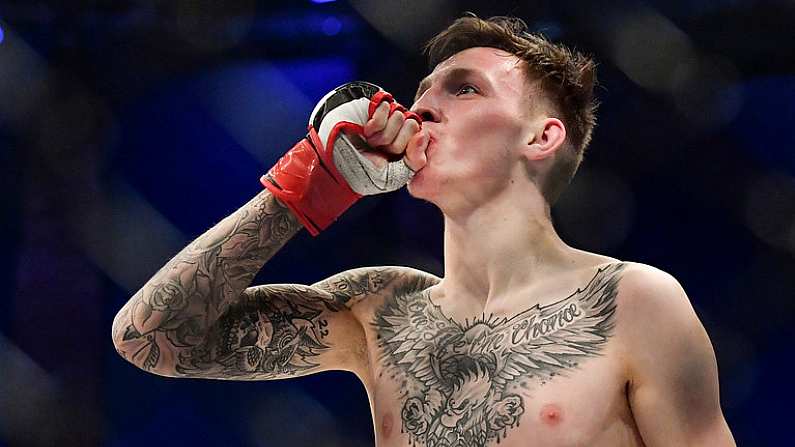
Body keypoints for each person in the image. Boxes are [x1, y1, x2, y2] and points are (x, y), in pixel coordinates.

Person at [112, 14, 736, 447]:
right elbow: (150, 338)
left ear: (540, 137)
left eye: (465, 89)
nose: (420, 108)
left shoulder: (632, 300)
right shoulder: (379, 309)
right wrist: (309, 183)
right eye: (422, 91)